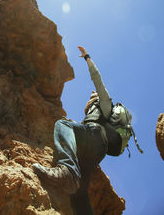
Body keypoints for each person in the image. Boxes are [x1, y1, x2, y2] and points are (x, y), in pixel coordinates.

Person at [32, 46, 132, 214]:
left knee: (63, 124)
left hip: (96, 136)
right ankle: (72, 180)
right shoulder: (94, 114)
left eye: (93, 96)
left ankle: (66, 170)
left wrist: (87, 57)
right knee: (79, 193)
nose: (92, 95)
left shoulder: (104, 103)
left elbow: (97, 79)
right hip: (97, 151)